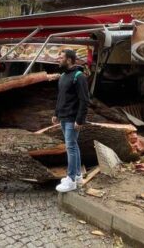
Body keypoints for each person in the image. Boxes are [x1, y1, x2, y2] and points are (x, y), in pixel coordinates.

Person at [51, 49, 90, 192]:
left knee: (71, 148)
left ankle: (71, 179)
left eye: (61, 57)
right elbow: (61, 97)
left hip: (73, 119)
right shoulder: (62, 77)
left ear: (69, 60)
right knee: (73, 146)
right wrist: (56, 113)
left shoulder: (79, 77)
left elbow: (84, 100)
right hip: (63, 117)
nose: (58, 59)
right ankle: (78, 176)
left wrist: (80, 120)